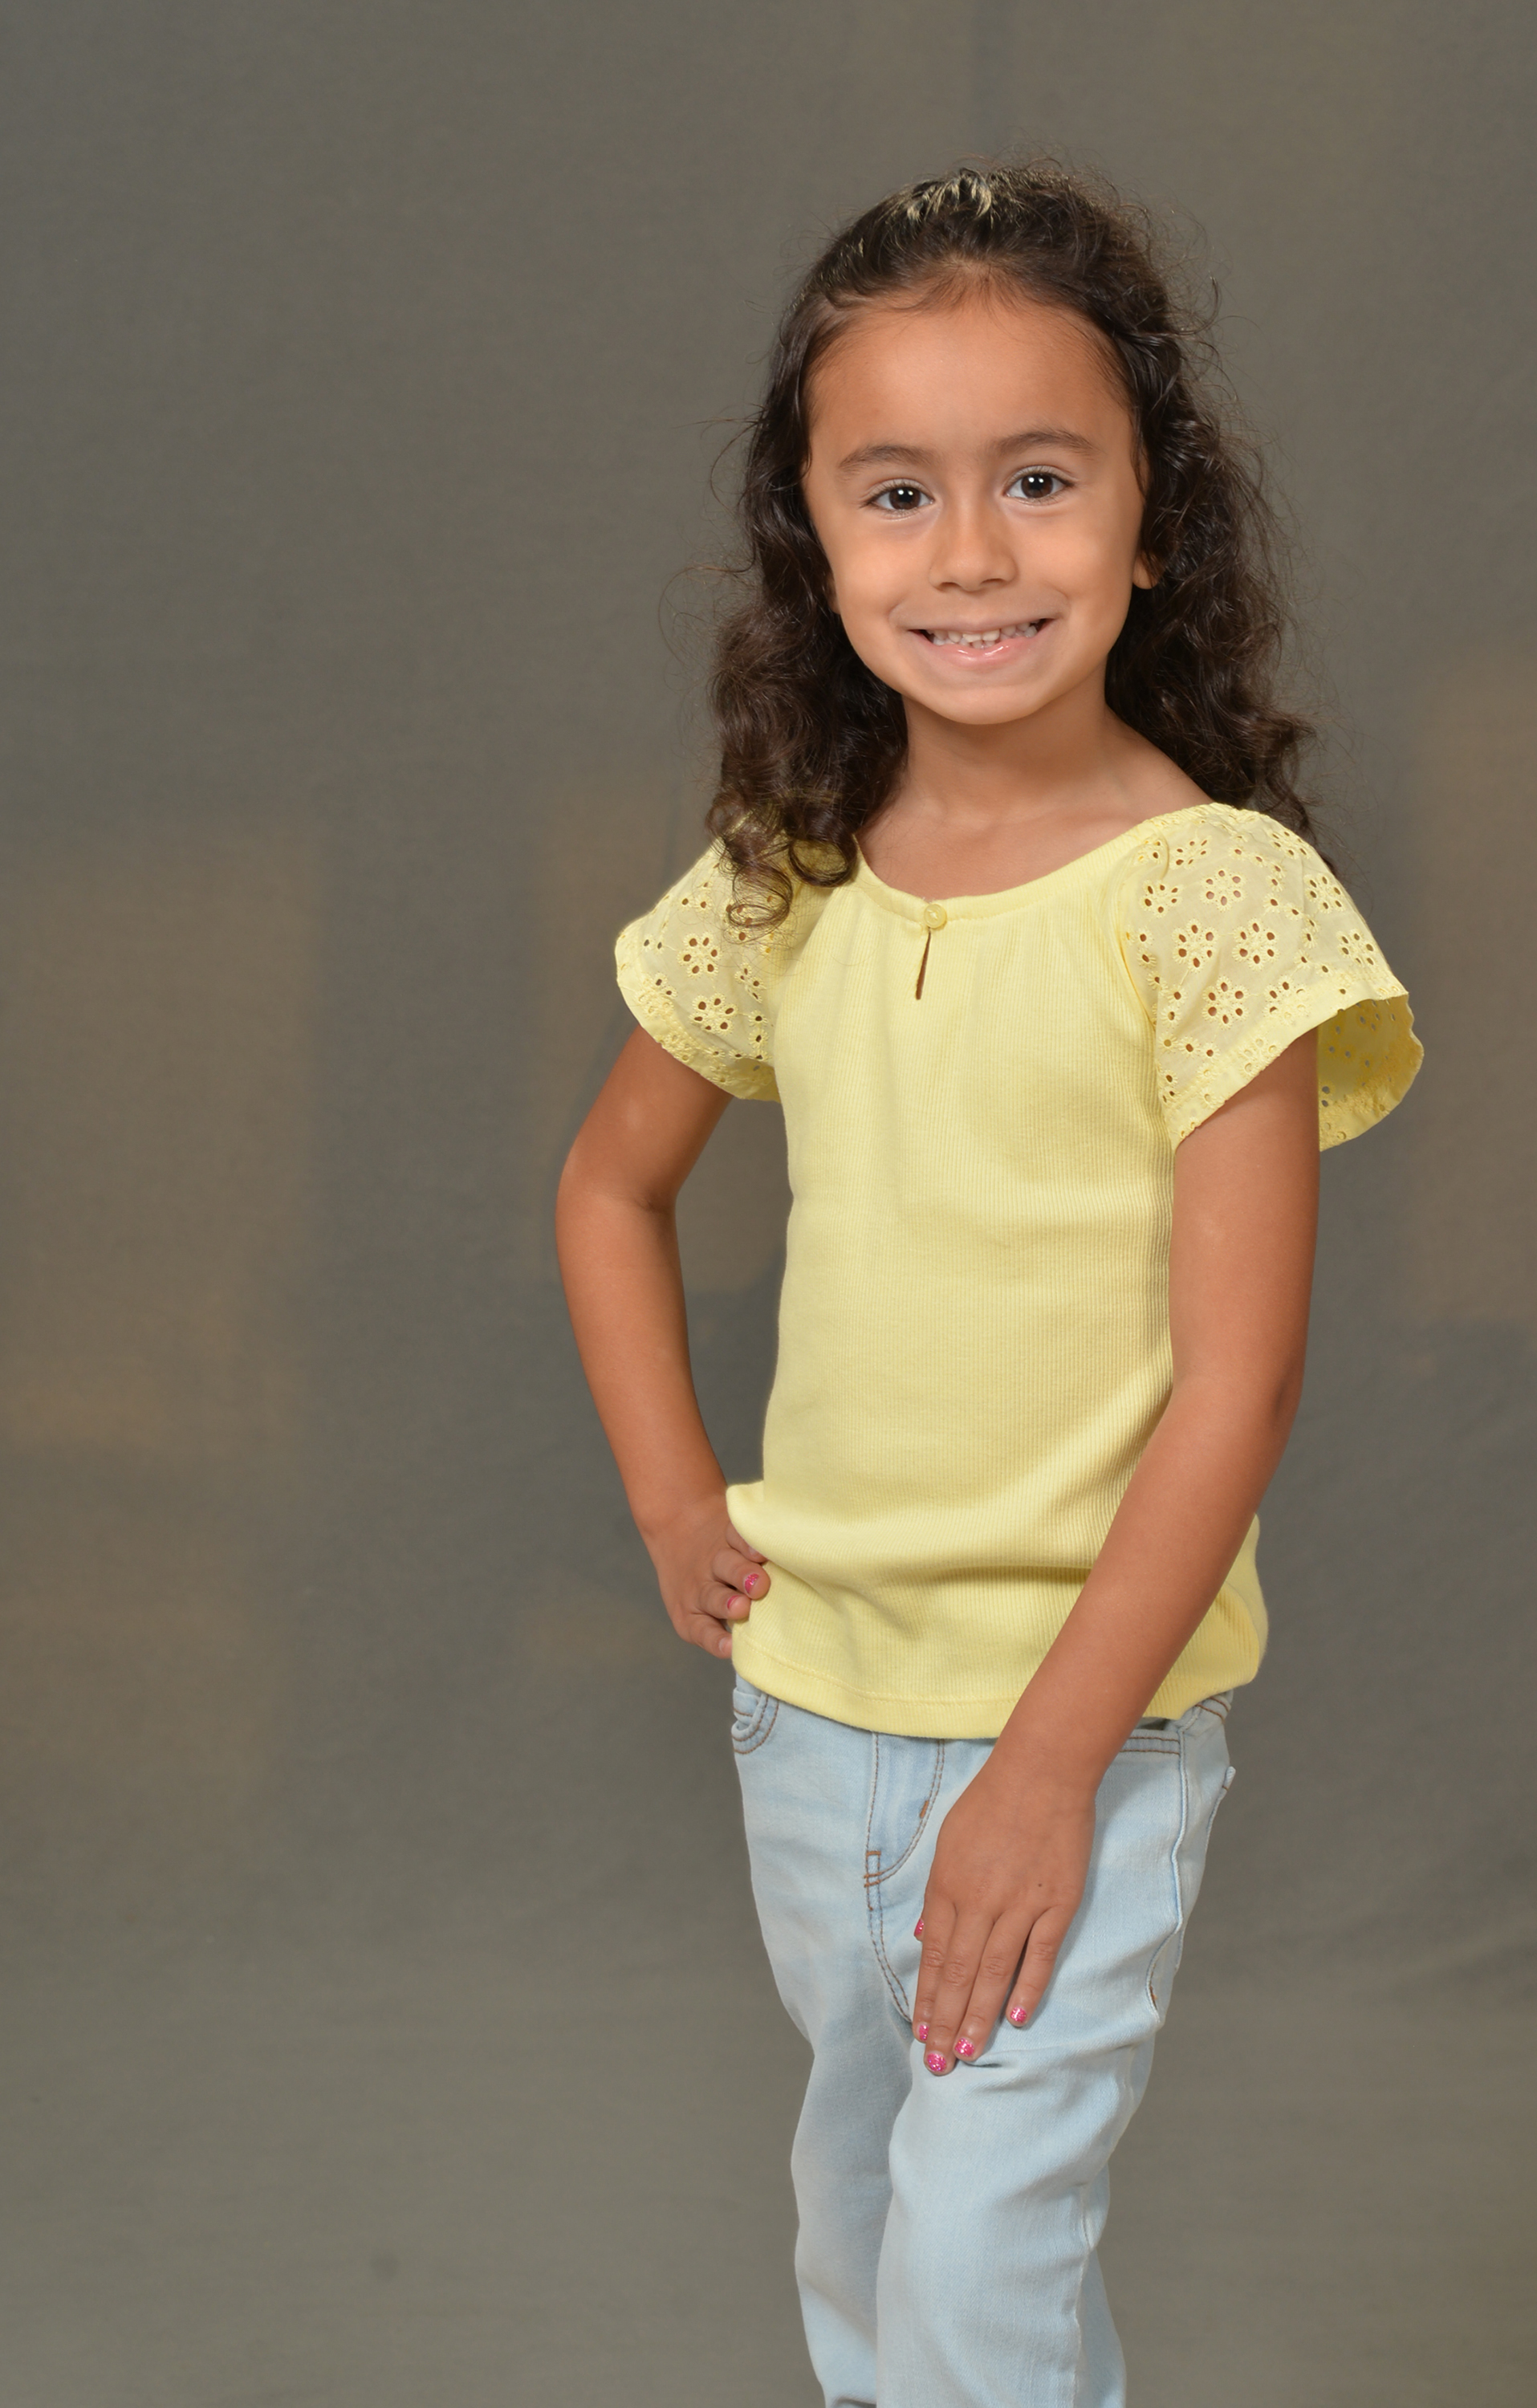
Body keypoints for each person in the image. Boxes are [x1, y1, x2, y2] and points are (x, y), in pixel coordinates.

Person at [555, 160, 1421, 2408]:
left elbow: (1238, 1389)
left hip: (1086, 1725)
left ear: (1154, 519)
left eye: (1040, 480)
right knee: (870, 2215)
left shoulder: (1216, 900)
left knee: (977, 2249)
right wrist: (672, 1495)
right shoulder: (788, 883)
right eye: (897, 493)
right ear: (815, 540)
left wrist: (1045, 1776)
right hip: (815, 1704)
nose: (969, 554)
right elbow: (610, 1188)